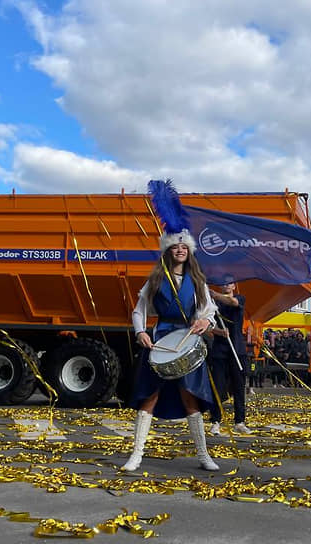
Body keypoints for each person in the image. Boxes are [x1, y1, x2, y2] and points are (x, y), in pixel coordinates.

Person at [123, 179, 218, 472]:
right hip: (162, 338)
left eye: (184, 245)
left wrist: (205, 320)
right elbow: (138, 311)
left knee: (191, 397)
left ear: (189, 250)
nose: (180, 249)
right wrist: (140, 331)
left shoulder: (199, 281)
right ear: (168, 249)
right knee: (149, 396)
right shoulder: (155, 280)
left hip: (188, 339)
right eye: (175, 245)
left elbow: (208, 309)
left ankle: (203, 455)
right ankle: (136, 455)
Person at [208, 280, 252, 435]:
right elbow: (208, 324)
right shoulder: (212, 304)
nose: (226, 285)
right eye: (224, 282)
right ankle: (215, 421)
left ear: (234, 286)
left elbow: (232, 302)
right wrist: (219, 332)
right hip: (219, 350)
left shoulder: (240, 298)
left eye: (229, 283)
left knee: (239, 387)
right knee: (218, 387)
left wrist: (214, 294)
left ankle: (239, 421)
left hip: (237, 349)